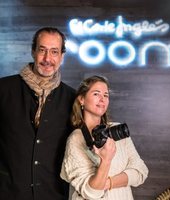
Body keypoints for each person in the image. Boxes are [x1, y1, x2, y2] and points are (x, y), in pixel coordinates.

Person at [0, 27, 76, 200]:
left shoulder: (72, 98)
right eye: (42, 50)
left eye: (54, 52)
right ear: (33, 51)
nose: (47, 58)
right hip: (8, 192)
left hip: (53, 194)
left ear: (62, 57)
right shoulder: (3, 89)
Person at [60, 75, 148, 200]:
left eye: (106, 95)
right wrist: (106, 160)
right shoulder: (76, 139)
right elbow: (91, 193)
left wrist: (107, 183)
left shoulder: (117, 131)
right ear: (81, 99)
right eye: (96, 94)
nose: (102, 99)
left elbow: (141, 172)